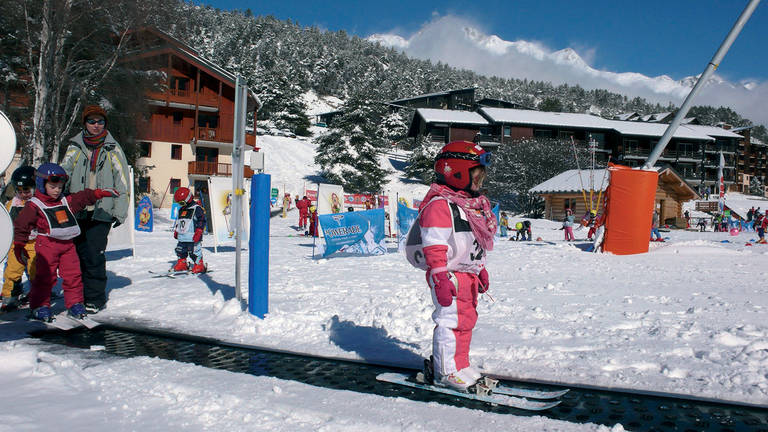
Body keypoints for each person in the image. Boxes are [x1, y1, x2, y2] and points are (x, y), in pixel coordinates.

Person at [415, 141, 495, 392]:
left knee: (466, 321)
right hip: (448, 275)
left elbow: (471, 242)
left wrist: (479, 268)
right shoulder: (440, 205)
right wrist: (439, 277)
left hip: (467, 275)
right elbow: (434, 245)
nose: (479, 183)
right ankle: (445, 371)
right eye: (476, 176)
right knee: (450, 322)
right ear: (457, 172)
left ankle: (459, 364)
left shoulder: (470, 206)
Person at [13, 163, 118, 322]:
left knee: (73, 276)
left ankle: (75, 303)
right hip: (46, 244)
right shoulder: (34, 205)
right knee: (44, 277)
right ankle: (40, 305)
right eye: (53, 186)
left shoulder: (65, 200)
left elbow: (81, 198)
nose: (57, 190)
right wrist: (20, 245)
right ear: (42, 184)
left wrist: (97, 193)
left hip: (68, 245)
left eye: (60, 187)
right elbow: (22, 225)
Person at [61, 105, 129, 314]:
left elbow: (123, 182)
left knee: (94, 254)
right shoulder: (74, 147)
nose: (96, 125)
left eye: (100, 121)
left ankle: (94, 299)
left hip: (102, 210)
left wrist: (119, 211)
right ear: (85, 123)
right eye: (92, 121)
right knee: (75, 256)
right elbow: (63, 173)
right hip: (77, 209)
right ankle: (76, 297)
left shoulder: (113, 149)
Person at [1, 166, 37, 311]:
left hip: (34, 243)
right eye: (19, 191)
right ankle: (10, 294)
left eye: (27, 191)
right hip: (16, 243)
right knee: (12, 270)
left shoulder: (38, 203)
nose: (23, 194)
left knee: (35, 269)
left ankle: (39, 293)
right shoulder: (11, 204)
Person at [170, 187, 207, 273]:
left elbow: (202, 220)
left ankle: (199, 264)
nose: (181, 205)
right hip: (182, 236)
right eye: (179, 203)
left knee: (194, 251)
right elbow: (179, 221)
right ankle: (182, 263)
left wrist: (199, 231)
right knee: (180, 250)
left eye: (182, 203)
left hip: (193, 236)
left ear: (188, 199)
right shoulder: (181, 209)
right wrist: (176, 230)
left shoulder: (196, 208)